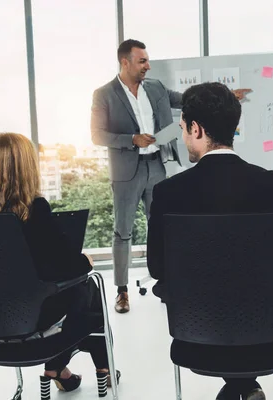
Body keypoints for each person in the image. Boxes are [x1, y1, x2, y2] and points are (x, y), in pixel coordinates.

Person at [146, 82, 273, 400]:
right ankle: (244, 385)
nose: (184, 136)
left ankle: (237, 386)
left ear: (196, 129)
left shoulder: (169, 193)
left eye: (184, 128)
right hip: (271, 339)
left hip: (196, 340)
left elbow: (158, 268)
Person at [0, 133, 120, 394]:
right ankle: (101, 367)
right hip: (25, 321)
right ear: (27, 166)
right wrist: (85, 261)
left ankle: (61, 371)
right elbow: (66, 268)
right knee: (87, 287)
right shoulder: (34, 208)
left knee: (74, 293)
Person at [91, 39, 251, 313]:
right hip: (126, 171)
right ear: (125, 62)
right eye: (142, 61)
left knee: (163, 225)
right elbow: (97, 135)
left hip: (156, 165)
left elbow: (188, 99)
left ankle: (169, 281)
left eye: (147, 60)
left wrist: (225, 95)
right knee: (123, 232)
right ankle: (122, 291)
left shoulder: (155, 88)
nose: (148, 66)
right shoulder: (104, 94)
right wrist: (132, 139)